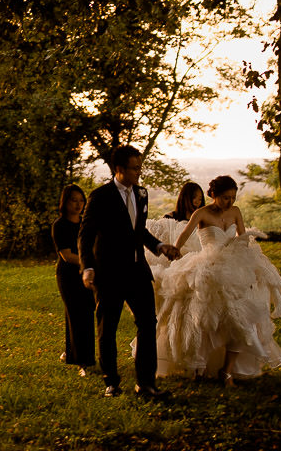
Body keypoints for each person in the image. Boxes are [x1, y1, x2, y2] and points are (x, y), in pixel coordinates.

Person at [155, 175, 281, 386]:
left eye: (233, 197)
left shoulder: (235, 212)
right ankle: (199, 366)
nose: (230, 202)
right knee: (204, 318)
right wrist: (175, 252)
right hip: (208, 267)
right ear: (213, 195)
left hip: (234, 267)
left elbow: (243, 239)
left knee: (241, 318)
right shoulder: (202, 213)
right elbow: (185, 234)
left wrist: (247, 264)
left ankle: (227, 370)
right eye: (225, 198)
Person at [78, 145, 181, 399]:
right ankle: (111, 382)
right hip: (109, 273)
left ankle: (146, 384)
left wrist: (159, 246)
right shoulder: (100, 196)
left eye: (140, 167)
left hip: (138, 271)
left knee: (148, 324)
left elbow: (139, 230)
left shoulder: (142, 194)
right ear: (119, 169)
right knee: (108, 327)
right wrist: (87, 267)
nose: (139, 172)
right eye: (135, 168)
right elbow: (86, 234)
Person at [51, 184, 95, 377]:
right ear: (65, 202)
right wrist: (90, 262)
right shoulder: (59, 225)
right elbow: (67, 256)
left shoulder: (86, 224)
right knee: (77, 315)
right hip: (68, 275)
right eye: (73, 200)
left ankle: (72, 353)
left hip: (88, 273)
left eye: (81, 201)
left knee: (85, 314)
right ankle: (83, 361)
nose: (78, 205)